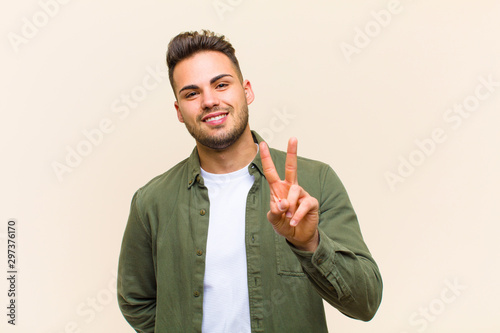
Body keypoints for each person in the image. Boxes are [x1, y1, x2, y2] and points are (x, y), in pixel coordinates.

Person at [117, 30, 382, 333]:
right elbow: (136, 301)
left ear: (247, 91)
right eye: (192, 93)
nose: (209, 101)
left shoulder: (315, 181)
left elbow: (366, 302)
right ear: (179, 111)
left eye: (221, 84)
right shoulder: (152, 202)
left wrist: (309, 243)